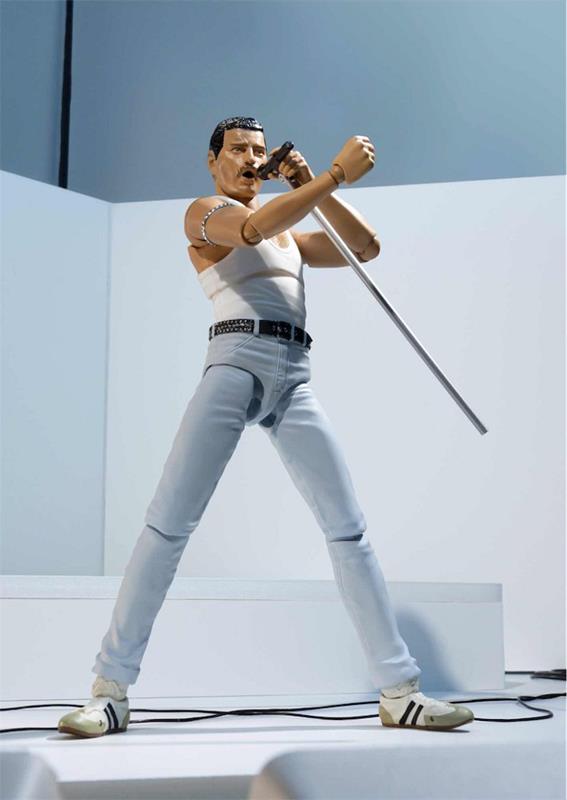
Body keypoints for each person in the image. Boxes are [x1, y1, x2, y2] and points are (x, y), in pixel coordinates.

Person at [58, 117, 474, 738]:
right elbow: (250, 228)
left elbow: (365, 248)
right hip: (235, 361)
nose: (251, 159)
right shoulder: (204, 212)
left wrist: (313, 183)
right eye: (238, 150)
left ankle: (400, 691)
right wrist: (334, 174)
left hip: (294, 375)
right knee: (168, 526)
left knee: (348, 529)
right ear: (213, 160)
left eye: (259, 150)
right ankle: (109, 690)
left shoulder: (291, 234)